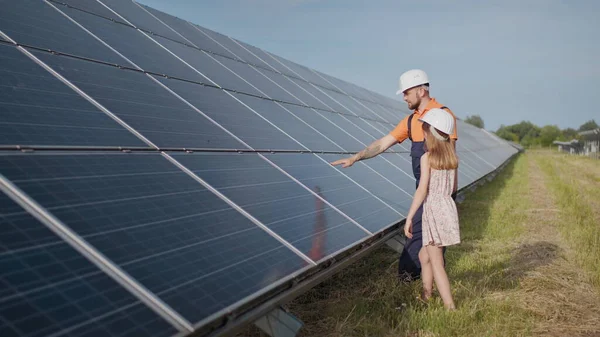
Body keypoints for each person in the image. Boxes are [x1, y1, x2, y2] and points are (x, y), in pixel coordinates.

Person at [330, 69, 458, 279]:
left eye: (406, 92)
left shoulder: (443, 116)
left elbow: (451, 157)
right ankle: (422, 284)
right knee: (421, 242)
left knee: (426, 245)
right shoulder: (410, 122)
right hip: (422, 190)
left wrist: (450, 195)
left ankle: (419, 287)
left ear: (421, 90)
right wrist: (356, 157)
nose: (404, 97)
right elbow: (382, 144)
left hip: (437, 195)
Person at [404, 108, 460, 310]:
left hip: (433, 210)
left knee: (437, 263)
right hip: (447, 207)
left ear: (430, 135)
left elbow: (421, 190)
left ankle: (450, 307)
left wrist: (410, 216)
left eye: (425, 133)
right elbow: (453, 188)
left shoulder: (427, 159)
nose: (423, 137)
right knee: (423, 256)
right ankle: (426, 297)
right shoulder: (452, 159)